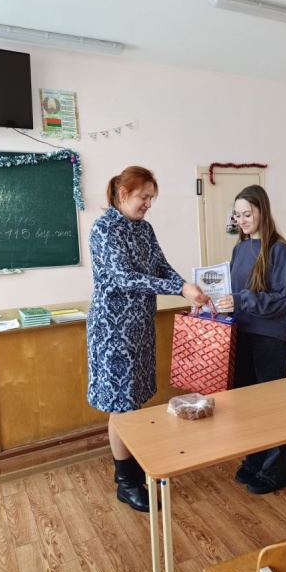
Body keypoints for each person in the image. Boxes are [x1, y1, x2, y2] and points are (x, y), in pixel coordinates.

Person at [87, 166, 210, 512]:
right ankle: (126, 483)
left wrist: (186, 286)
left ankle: (134, 467)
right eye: (144, 197)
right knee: (122, 407)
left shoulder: (144, 229)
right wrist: (179, 289)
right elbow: (124, 278)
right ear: (123, 194)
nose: (148, 205)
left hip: (139, 327)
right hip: (113, 330)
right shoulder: (105, 228)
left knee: (135, 399)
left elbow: (160, 267)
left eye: (151, 198)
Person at [214, 184, 286, 494]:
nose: (242, 220)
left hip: (269, 339)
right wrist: (215, 300)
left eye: (247, 214)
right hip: (241, 334)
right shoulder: (239, 249)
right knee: (246, 404)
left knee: (273, 406)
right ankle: (254, 459)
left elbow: (282, 300)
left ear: (263, 211)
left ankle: (276, 471)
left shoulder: (279, 250)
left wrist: (241, 300)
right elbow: (232, 292)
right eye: (237, 215)